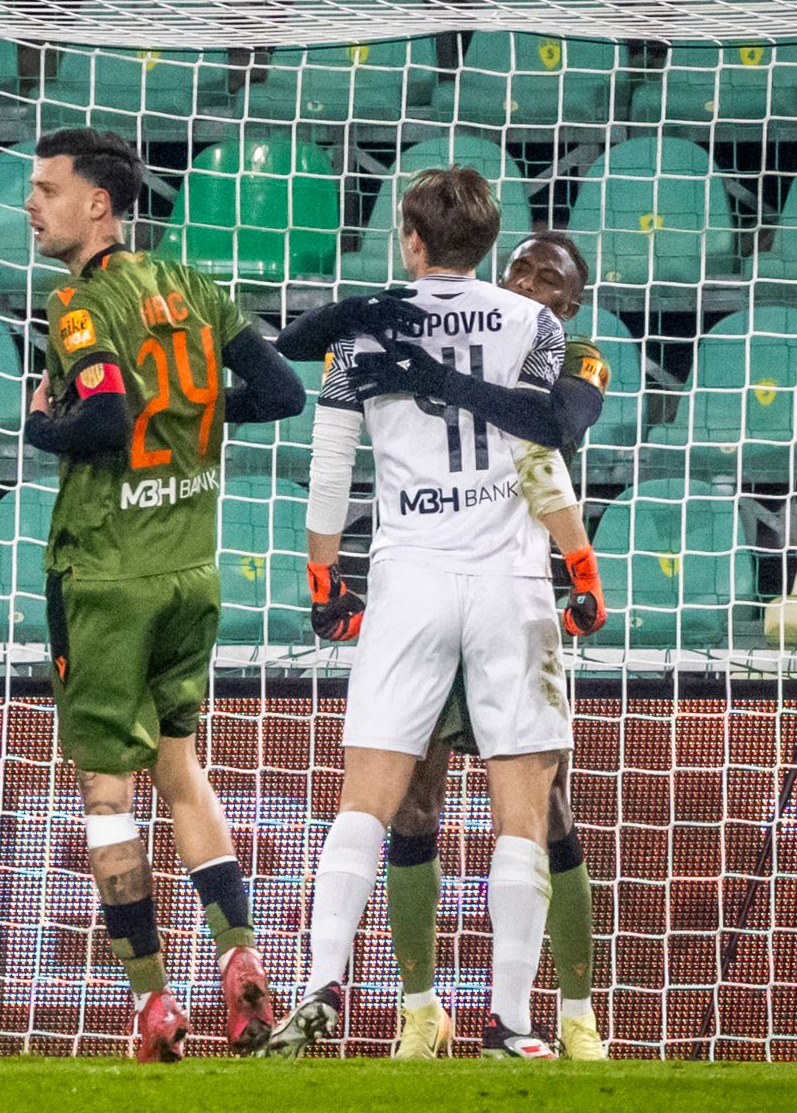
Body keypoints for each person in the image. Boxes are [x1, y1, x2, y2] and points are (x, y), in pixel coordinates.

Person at [264, 167, 575, 1060]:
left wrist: (324, 576)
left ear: (411, 238)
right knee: (523, 813)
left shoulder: (363, 329)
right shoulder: (536, 324)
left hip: (408, 577)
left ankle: (322, 982)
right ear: (489, 243)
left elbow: (331, 468)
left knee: (367, 799)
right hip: (511, 579)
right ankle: (511, 1023)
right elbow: (542, 449)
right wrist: (577, 556)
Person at [21, 128, 307, 1062]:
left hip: (108, 577)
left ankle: (153, 1002)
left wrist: (41, 428)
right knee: (181, 768)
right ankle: (239, 953)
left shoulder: (77, 305)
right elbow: (281, 391)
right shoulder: (191, 285)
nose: (32, 204)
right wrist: (200, 418)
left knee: (108, 790)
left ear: (98, 204)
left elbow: (105, 417)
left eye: (48, 189)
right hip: (193, 567)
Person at [380, 231, 613, 1061]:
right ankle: (420, 1010)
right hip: (432, 589)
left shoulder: (576, 356)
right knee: (413, 801)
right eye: (518, 269)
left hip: (517, 595)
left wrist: (451, 382)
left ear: (570, 304)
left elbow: (560, 422)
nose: (527, 283)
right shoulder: (461, 338)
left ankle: (577, 1013)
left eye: (548, 278)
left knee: (547, 811)